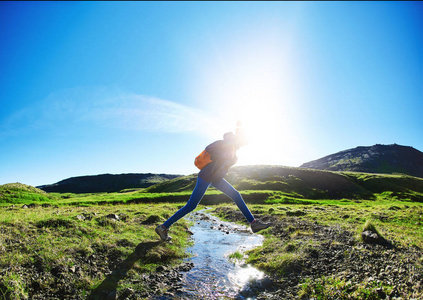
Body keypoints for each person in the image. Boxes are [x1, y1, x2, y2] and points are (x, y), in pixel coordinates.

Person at [155, 130, 271, 241]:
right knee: (191, 205)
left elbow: (221, 164)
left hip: (216, 178)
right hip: (206, 175)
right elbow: (210, 150)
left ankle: (253, 223)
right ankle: (163, 228)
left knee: (236, 195)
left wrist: (229, 162)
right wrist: (226, 157)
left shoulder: (232, 149)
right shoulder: (222, 144)